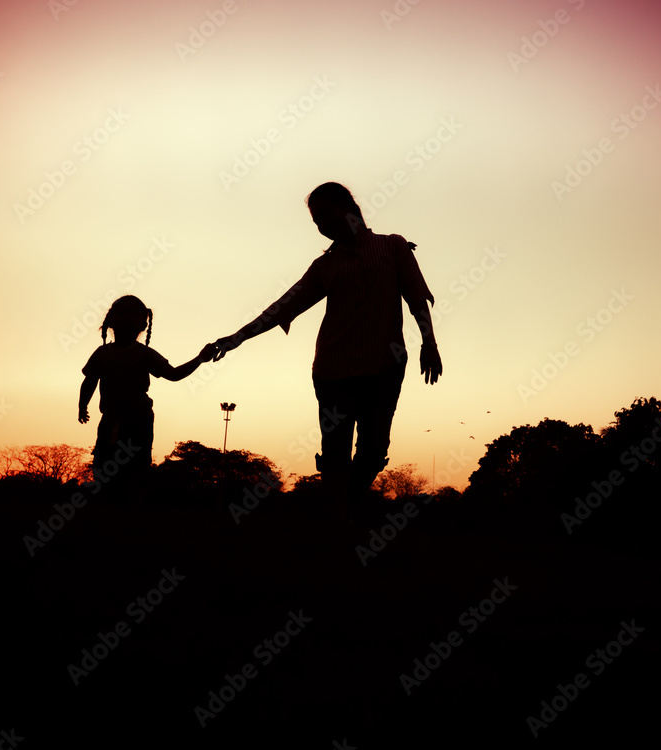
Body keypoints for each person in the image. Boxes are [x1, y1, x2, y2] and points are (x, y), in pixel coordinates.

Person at [213, 182, 442, 522]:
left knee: (374, 451)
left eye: (324, 215)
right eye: (316, 221)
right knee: (335, 452)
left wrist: (430, 343)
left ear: (349, 208)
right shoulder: (325, 266)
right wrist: (237, 338)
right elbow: (283, 306)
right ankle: (337, 524)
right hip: (333, 373)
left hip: (384, 369)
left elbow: (416, 297)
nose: (321, 226)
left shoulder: (393, 247)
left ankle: (338, 511)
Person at [79, 295, 217, 497]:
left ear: (142, 324)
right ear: (111, 320)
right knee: (102, 464)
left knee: (136, 468)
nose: (126, 318)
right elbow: (89, 381)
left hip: (138, 421)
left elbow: (173, 374)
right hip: (109, 419)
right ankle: (109, 508)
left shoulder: (144, 354)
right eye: (122, 312)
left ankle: (132, 509)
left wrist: (199, 359)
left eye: (132, 314)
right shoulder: (101, 353)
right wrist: (82, 406)